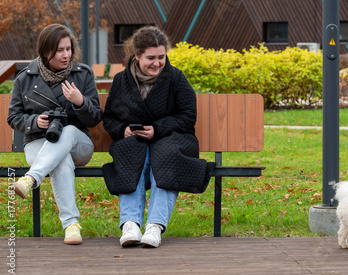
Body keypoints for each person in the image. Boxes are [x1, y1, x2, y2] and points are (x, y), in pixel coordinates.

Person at [102, 26, 214, 248]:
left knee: (166, 157)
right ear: (137, 56)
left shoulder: (176, 78)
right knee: (131, 154)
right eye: (150, 58)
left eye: (161, 57)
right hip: (135, 141)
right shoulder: (121, 81)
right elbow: (109, 118)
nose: (157, 63)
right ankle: (130, 224)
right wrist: (122, 130)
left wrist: (157, 129)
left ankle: (154, 225)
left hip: (173, 138)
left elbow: (187, 115)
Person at [7, 24, 103, 245]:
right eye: (60, 50)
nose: (66, 55)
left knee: (67, 130)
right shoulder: (26, 77)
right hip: (38, 143)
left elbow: (95, 117)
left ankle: (31, 178)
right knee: (60, 161)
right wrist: (35, 121)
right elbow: (14, 117)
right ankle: (71, 225)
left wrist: (80, 102)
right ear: (46, 50)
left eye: (69, 49)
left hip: (78, 142)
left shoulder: (82, 74)